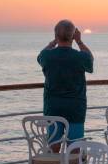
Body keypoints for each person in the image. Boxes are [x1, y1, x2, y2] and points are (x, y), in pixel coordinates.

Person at [37, 20, 94, 150]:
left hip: (53, 108)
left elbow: (40, 56)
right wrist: (79, 41)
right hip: (75, 109)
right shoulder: (80, 57)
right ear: (73, 36)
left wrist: (53, 43)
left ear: (56, 35)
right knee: (75, 150)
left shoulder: (47, 56)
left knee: (53, 149)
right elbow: (90, 61)